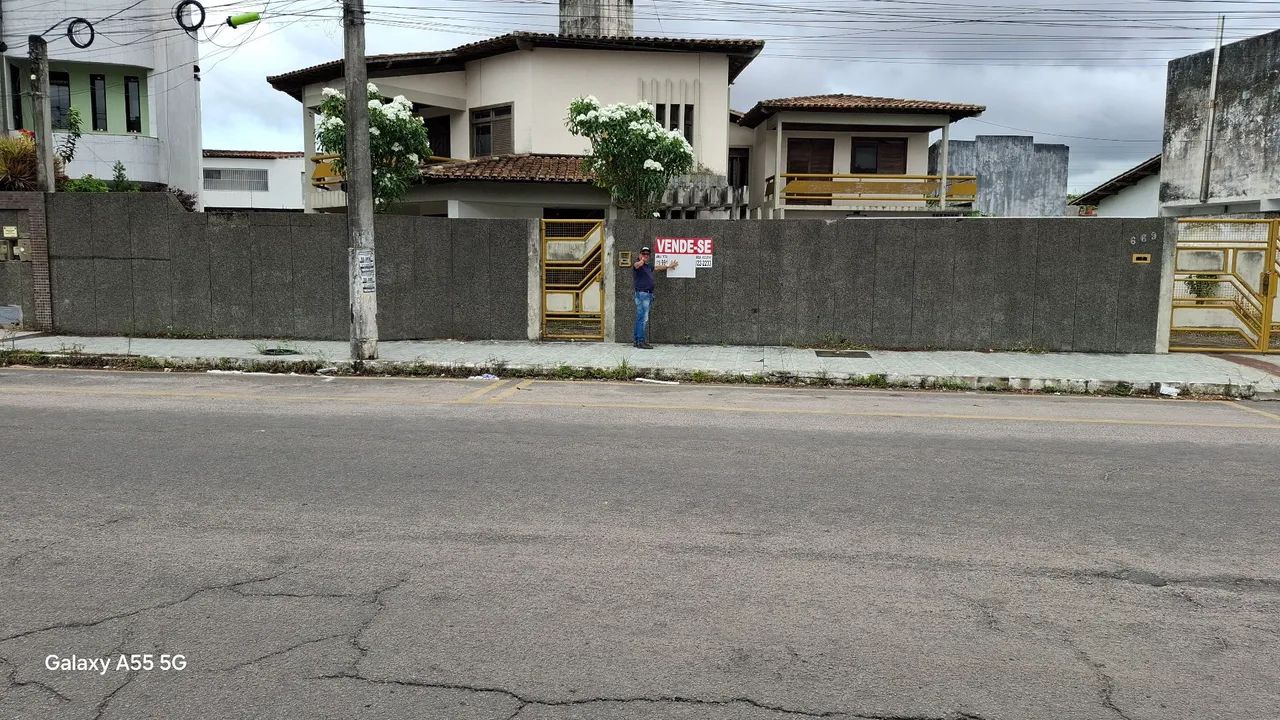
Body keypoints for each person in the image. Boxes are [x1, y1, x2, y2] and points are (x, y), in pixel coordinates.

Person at [632, 245, 678, 349]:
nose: (646, 256)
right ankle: (640, 341)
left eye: (647, 254)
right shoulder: (638, 265)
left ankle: (637, 340)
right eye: (643, 254)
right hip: (642, 294)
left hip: (646, 294)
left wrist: (669, 266)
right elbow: (636, 265)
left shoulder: (648, 266)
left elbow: (657, 267)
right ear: (640, 255)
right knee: (643, 319)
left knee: (640, 318)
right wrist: (641, 261)